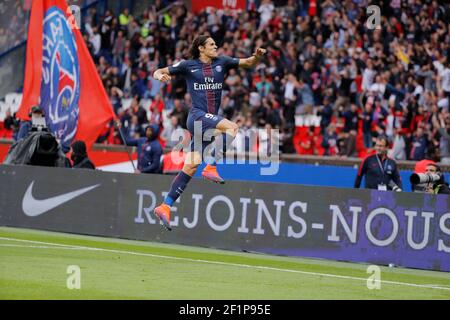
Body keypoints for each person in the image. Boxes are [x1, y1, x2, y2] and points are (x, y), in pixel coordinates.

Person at [152, 35, 266, 230]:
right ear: (201, 48)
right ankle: (211, 166)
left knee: (190, 166)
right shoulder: (188, 65)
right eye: (212, 44)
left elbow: (248, 62)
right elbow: (158, 71)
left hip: (207, 124)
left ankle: (165, 205)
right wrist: (160, 76)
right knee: (233, 127)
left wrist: (257, 57)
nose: (216, 46)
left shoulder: (222, 62)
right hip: (197, 116)